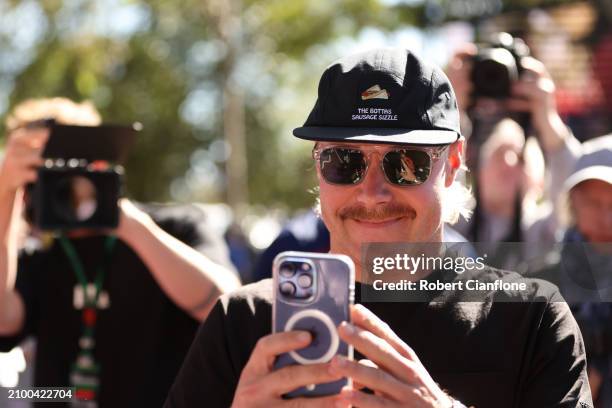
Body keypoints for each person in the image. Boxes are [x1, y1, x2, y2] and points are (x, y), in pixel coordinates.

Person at [165, 48, 592, 407]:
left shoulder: (531, 318)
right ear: (317, 168)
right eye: (343, 162)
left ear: (454, 165)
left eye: (406, 163)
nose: (372, 194)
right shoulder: (245, 322)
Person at [0, 98, 241, 407]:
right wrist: (6, 194)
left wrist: (124, 222)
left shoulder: (175, 228)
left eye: (68, 167)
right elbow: (5, 320)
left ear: (100, 161)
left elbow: (223, 305)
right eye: (39, 175)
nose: (49, 189)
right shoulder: (42, 260)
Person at [529, 135, 612, 407]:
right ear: (573, 202)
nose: (606, 217)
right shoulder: (541, 283)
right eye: (593, 203)